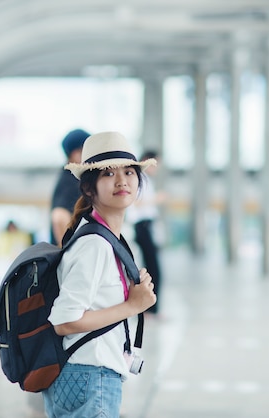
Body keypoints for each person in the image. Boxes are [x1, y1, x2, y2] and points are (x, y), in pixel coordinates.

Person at [43, 131, 158, 417]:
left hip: (87, 374)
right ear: (89, 189)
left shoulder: (105, 237)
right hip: (90, 375)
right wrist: (133, 305)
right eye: (108, 174)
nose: (121, 180)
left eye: (129, 172)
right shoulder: (95, 244)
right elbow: (65, 321)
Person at [127, 150, 165, 315]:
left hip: (146, 226)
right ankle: (150, 310)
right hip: (142, 226)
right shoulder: (141, 179)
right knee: (153, 269)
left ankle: (151, 310)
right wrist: (157, 199)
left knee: (153, 268)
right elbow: (136, 202)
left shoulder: (145, 179)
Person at [50, 128, 90, 246]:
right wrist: (69, 252)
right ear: (75, 153)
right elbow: (59, 217)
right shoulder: (70, 180)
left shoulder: (76, 178)